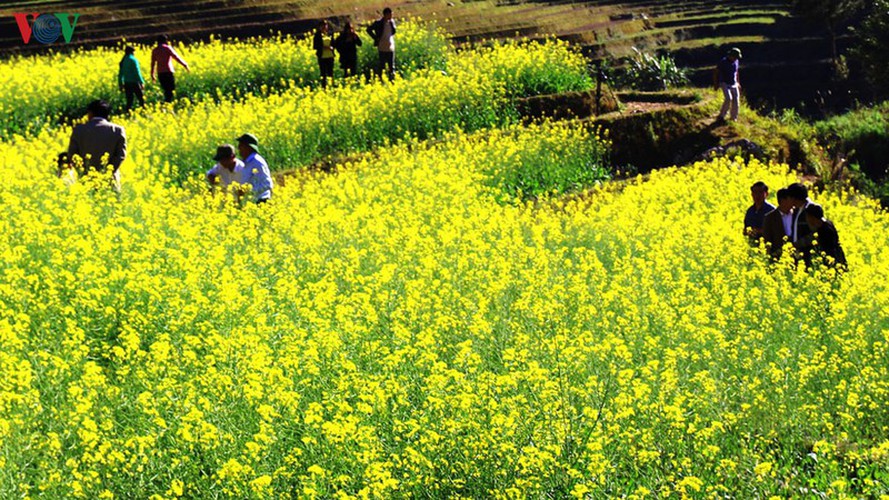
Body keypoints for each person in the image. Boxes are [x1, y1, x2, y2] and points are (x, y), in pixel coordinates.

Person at [67, 100, 127, 191]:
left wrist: (83, 172)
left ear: (90, 113)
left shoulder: (79, 130)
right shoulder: (117, 130)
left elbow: (72, 154)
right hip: (110, 181)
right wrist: (108, 173)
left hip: (86, 182)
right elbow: (120, 156)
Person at [800, 204, 847, 268]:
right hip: (837, 259)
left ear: (812, 217)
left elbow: (828, 249)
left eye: (807, 216)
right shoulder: (826, 224)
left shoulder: (825, 230)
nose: (806, 219)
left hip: (833, 262)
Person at [151, 34, 190, 103]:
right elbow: (176, 57)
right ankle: (168, 103)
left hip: (160, 73)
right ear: (165, 40)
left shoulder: (155, 50)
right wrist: (185, 65)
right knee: (171, 89)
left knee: (166, 89)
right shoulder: (168, 48)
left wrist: (152, 74)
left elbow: (153, 63)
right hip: (168, 71)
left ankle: (167, 104)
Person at [236, 133, 273, 204]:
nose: (239, 148)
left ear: (248, 147)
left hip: (261, 201)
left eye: (241, 145)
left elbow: (266, 184)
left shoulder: (256, 162)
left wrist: (246, 192)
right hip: (251, 202)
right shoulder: (245, 162)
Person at [761, 188, 794, 260]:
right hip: (778, 257)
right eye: (790, 199)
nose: (793, 201)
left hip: (795, 256)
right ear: (782, 200)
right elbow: (767, 239)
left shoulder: (797, 214)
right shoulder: (769, 217)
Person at [367, 7, 396, 82]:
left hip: (391, 47)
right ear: (385, 14)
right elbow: (368, 29)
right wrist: (375, 38)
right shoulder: (378, 23)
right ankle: (381, 80)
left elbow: (393, 32)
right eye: (390, 14)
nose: (391, 16)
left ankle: (392, 81)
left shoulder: (392, 22)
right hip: (382, 47)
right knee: (382, 65)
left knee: (391, 66)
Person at [714, 47, 742, 122]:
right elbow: (716, 73)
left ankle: (733, 118)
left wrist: (738, 82)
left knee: (736, 100)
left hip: (734, 83)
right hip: (724, 83)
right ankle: (721, 116)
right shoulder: (723, 62)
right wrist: (716, 84)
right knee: (728, 98)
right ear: (731, 56)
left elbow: (736, 72)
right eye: (735, 57)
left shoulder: (736, 61)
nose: (736, 59)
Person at [118, 46, 145, 110]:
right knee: (141, 98)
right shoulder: (133, 60)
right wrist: (141, 82)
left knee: (129, 100)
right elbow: (137, 72)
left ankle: (127, 112)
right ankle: (144, 110)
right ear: (132, 52)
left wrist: (120, 84)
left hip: (126, 83)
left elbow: (120, 74)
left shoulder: (123, 60)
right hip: (134, 82)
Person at [313, 20, 336, 88]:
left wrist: (332, 47)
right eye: (322, 25)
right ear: (319, 27)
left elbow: (334, 44)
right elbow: (315, 46)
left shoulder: (330, 34)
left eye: (325, 25)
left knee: (330, 73)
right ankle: (324, 87)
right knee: (323, 74)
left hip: (330, 56)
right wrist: (323, 47)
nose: (324, 27)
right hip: (322, 56)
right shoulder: (317, 35)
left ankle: (331, 86)